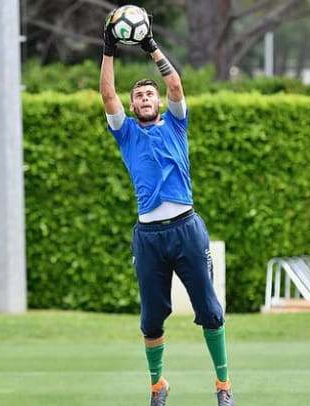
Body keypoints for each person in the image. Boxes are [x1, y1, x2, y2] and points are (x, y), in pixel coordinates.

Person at [100, 9, 237, 406]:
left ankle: (223, 385)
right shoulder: (125, 132)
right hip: (149, 237)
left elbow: (175, 83)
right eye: (138, 96)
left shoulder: (176, 123)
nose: (144, 99)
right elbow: (107, 94)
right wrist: (109, 49)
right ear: (132, 106)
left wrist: (150, 46)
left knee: (210, 311)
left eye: (149, 94)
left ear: (158, 101)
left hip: (186, 228)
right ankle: (158, 386)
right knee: (151, 319)